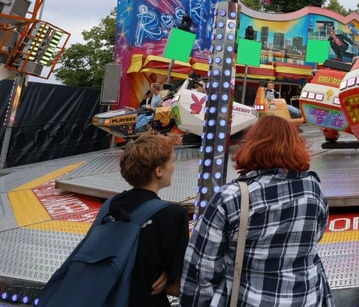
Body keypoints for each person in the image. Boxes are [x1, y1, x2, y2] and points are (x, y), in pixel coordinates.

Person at [180, 116, 334, 306]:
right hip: (305, 298)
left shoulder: (231, 197)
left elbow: (201, 269)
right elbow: (315, 236)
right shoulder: (313, 189)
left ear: (252, 145)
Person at [111, 133, 189, 306]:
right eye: (172, 161)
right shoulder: (174, 215)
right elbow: (174, 288)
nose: (174, 167)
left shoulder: (112, 204)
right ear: (159, 171)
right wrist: (169, 275)